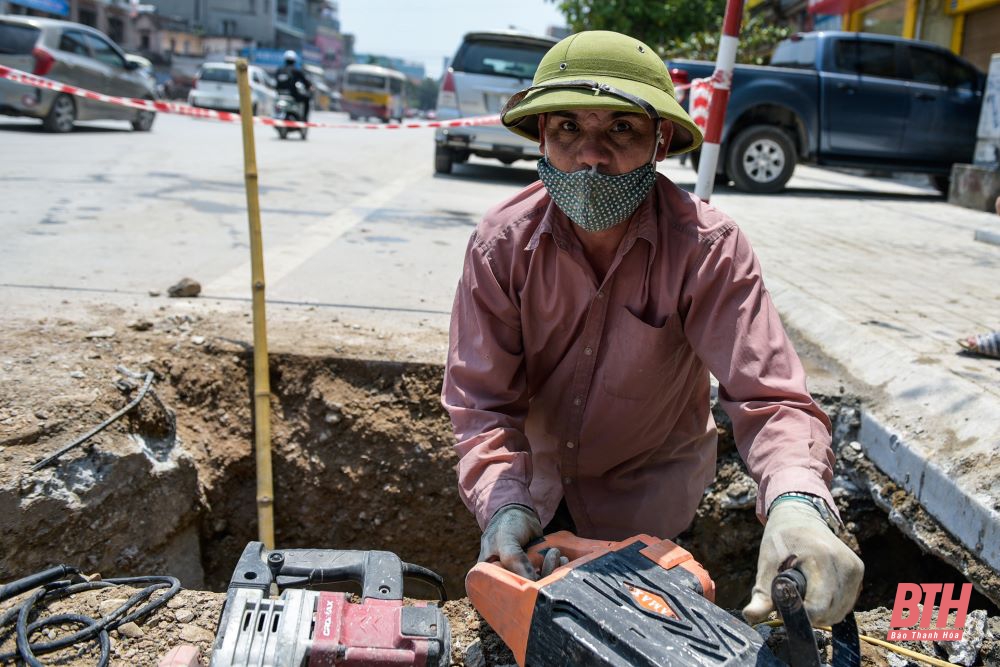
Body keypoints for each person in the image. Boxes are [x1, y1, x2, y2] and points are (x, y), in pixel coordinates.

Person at [441, 30, 864, 627]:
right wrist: (503, 504)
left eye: (620, 129)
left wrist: (797, 502)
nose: (590, 155)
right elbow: (482, 401)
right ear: (541, 135)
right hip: (529, 494)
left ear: (660, 140)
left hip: (647, 501)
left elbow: (768, 396)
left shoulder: (706, 248)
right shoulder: (502, 245)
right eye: (567, 127)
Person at [275, 50, 312, 122]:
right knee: (306, 99)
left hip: (279, 94)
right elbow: (305, 80)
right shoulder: (296, 71)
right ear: (294, 60)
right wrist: (309, 86)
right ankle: (304, 119)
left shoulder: (279, 70)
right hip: (293, 95)